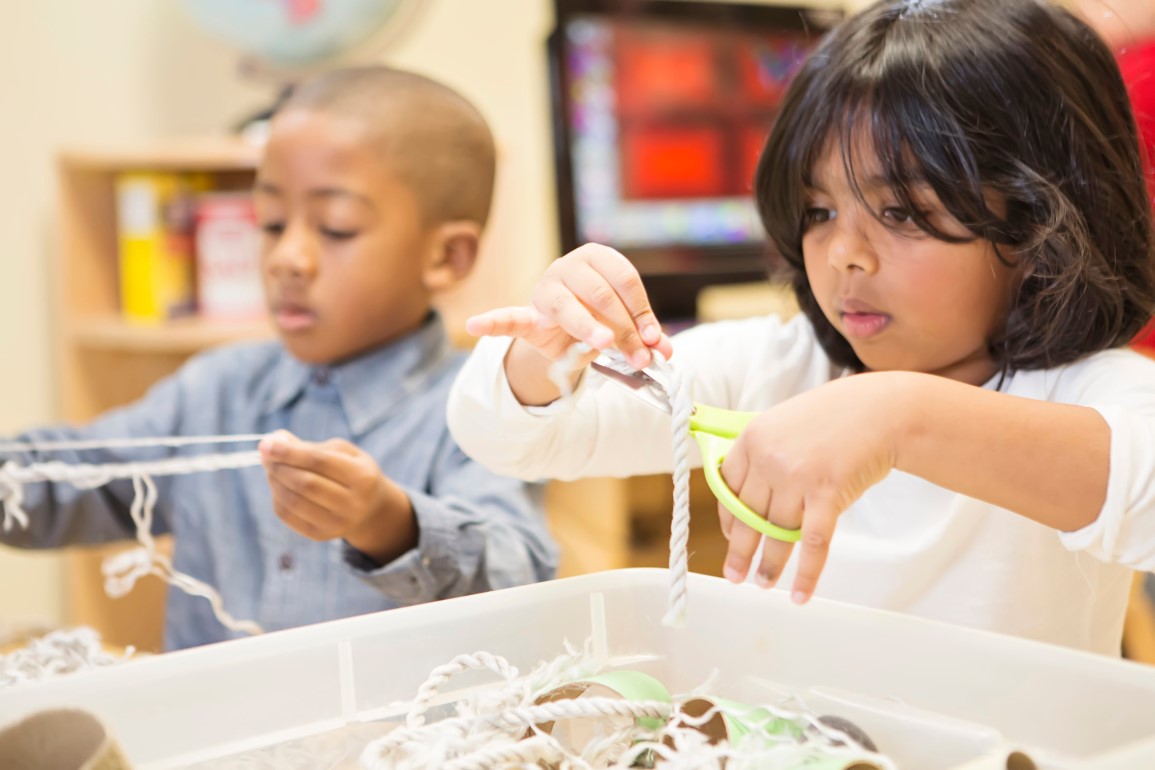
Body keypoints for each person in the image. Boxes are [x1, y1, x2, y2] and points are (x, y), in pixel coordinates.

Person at [447, 0, 1155, 655]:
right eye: (817, 212)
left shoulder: (1092, 389)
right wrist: (547, 353)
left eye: (901, 213)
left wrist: (898, 414)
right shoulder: (771, 366)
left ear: (1039, 222)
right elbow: (510, 438)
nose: (842, 253)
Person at [0, 66, 557, 650]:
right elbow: (66, 482)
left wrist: (388, 522)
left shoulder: (488, 408)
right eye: (269, 223)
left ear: (446, 256)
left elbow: (520, 571)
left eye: (336, 228)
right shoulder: (216, 389)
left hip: (401, 742)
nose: (286, 257)